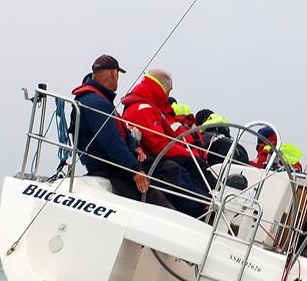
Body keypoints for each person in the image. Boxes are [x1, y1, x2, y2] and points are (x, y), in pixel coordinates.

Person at [70, 55, 182, 210]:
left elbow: (117, 134)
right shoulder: (96, 103)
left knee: (169, 168)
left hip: (116, 164)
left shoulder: (96, 99)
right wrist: (135, 170)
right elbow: (112, 142)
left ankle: (151, 191)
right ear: (114, 74)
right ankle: (151, 198)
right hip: (111, 168)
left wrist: (135, 148)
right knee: (161, 203)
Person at [121, 70, 209, 217]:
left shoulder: (147, 107)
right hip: (149, 160)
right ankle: (205, 204)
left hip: (154, 157)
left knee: (191, 165)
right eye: (169, 91)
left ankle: (208, 199)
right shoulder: (143, 109)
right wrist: (190, 154)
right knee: (186, 165)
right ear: (163, 89)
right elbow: (159, 144)